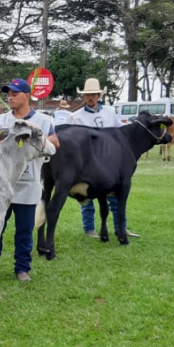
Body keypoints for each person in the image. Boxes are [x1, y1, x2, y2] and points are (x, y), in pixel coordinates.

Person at [0, 78, 56, 282]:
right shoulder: (1, 120)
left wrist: (32, 140)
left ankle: (22, 268)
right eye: (8, 94)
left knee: (25, 229)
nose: (10, 97)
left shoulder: (43, 121)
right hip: (1, 184)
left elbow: (54, 141)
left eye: (15, 94)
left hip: (29, 183)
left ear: (27, 96)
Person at [69, 78, 139, 239]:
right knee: (87, 198)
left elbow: (120, 133)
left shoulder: (110, 112)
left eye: (93, 94)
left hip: (109, 161)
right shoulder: (76, 117)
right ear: (84, 97)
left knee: (116, 196)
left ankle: (121, 227)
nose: (91, 97)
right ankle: (89, 229)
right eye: (88, 95)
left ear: (99, 95)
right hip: (88, 162)